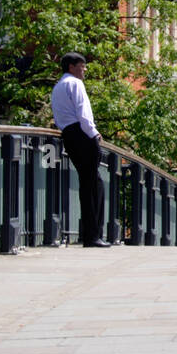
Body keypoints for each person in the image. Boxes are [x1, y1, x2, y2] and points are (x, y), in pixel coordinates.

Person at [50, 52, 108, 246]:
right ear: (71, 67)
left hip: (69, 134)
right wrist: (94, 134)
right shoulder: (75, 84)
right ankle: (93, 235)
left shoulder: (58, 86)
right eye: (82, 66)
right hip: (82, 135)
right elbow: (83, 114)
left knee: (87, 183)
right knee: (93, 185)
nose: (84, 70)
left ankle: (89, 234)